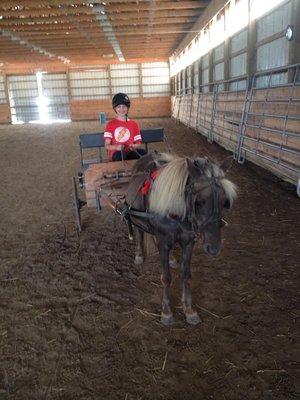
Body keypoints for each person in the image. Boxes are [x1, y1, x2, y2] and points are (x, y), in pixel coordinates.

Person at [104, 93, 147, 161]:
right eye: (119, 107)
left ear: (127, 107)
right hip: (117, 153)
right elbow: (107, 146)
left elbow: (138, 144)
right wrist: (116, 147)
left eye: (124, 106)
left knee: (143, 153)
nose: (121, 109)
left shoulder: (134, 124)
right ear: (115, 108)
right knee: (121, 155)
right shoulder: (110, 124)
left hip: (129, 152)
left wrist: (134, 146)